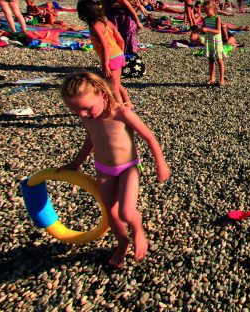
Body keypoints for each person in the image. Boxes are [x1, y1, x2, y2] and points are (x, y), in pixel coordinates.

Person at [59, 72, 170, 268]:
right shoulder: (87, 117)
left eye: (86, 108)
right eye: (76, 111)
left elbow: (150, 138)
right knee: (111, 213)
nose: (82, 114)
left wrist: (160, 164)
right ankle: (122, 242)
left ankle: (138, 232)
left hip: (128, 167)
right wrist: (75, 163)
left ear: (102, 94)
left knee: (126, 212)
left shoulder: (122, 114)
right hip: (103, 169)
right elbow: (90, 141)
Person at [77, 0, 132, 107]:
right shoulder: (107, 23)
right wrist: (121, 54)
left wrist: (105, 64)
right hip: (118, 54)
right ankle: (129, 105)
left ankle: (121, 111)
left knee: (113, 88)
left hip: (111, 58)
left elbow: (105, 46)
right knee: (117, 84)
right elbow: (120, 40)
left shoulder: (95, 26)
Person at [201, 0, 226, 87]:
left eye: (208, 10)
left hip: (217, 42)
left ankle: (222, 78)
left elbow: (218, 30)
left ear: (213, 8)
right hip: (209, 41)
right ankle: (212, 78)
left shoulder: (217, 18)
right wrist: (199, 30)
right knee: (211, 60)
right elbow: (203, 29)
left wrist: (207, 29)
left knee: (219, 60)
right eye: (205, 11)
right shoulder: (205, 19)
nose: (207, 12)